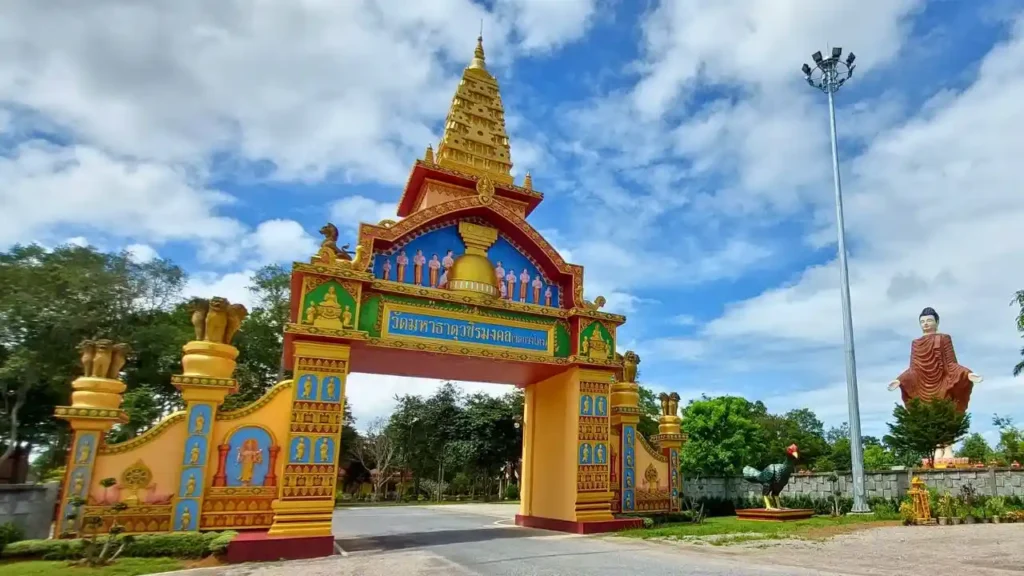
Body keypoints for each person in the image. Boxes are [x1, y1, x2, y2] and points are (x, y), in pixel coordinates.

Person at [887, 307, 982, 413]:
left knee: (944, 411)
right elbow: (914, 369)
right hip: (921, 386)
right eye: (922, 321)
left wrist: (967, 374)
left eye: (929, 320)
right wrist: (899, 380)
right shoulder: (916, 343)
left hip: (943, 384)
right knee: (923, 413)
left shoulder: (944, 338)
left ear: (937, 322)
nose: (925, 324)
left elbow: (951, 363)